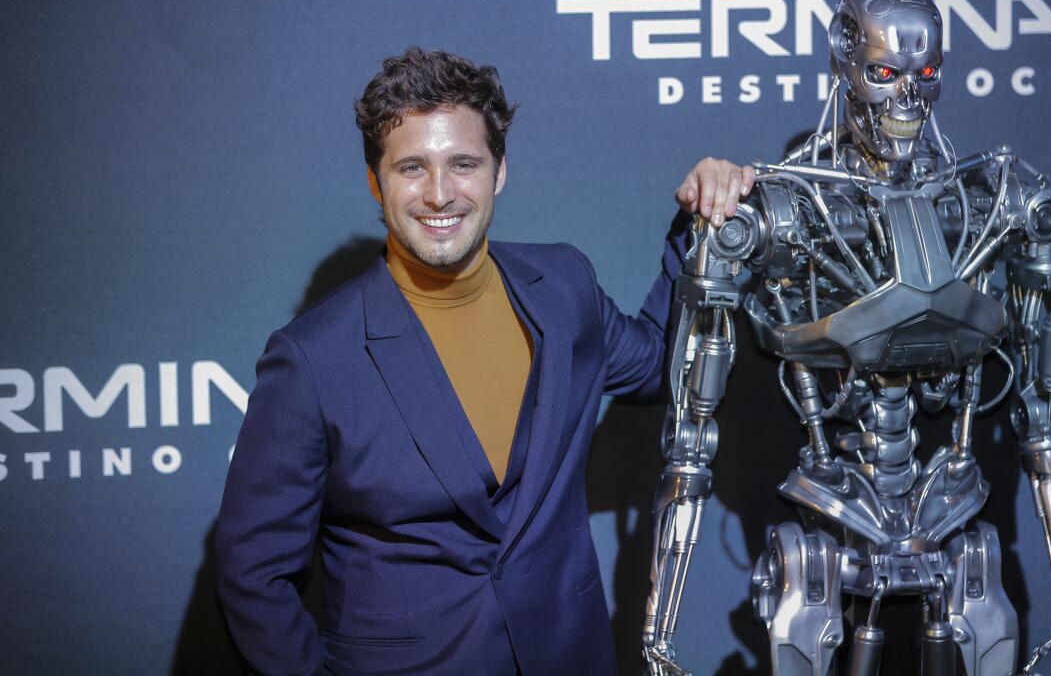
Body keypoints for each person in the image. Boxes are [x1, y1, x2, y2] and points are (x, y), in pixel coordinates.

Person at [213, 47, 752, 676]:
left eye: (463, 164)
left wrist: (703, 229)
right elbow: (253, 572)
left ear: (498, 173)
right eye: (411, 167)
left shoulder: (563, 286)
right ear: (374, 181)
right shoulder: (313, 358)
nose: (439, 194)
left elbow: (669, 365)